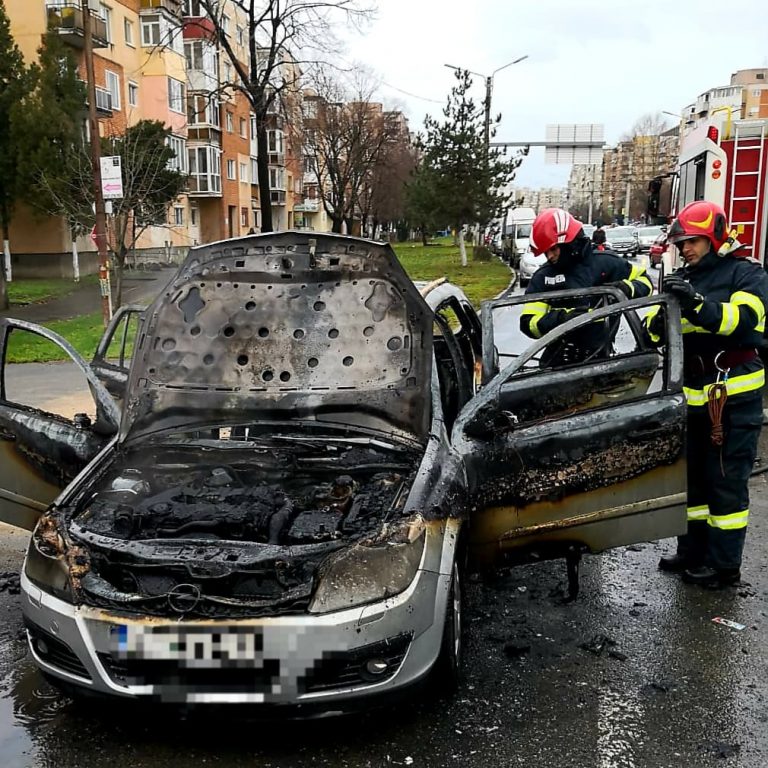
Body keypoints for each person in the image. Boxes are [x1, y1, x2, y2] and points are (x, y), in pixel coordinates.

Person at [650, 200, 768, 587]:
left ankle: (723, 566)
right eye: (681, 242)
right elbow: (657, 332)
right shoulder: (689, 278)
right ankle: (692, 553)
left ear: (715, 238)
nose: (685, 249)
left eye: (693, 241)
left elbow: (742, 320)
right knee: (695, 482)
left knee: (726, 483)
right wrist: (662, 308)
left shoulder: (746, 274)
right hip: (695, 396)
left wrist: (696, 305)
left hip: (733, 397)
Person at [520, 208, 652, 364]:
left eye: (553, 249)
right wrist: (562, 320)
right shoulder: (543, 277)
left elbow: (646, 283)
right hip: (556, 362)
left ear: (571, 243)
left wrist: (624, 288)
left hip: (601, 361)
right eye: (545, 252)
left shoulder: (606, 263)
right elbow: (528, 323)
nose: (550, 256)